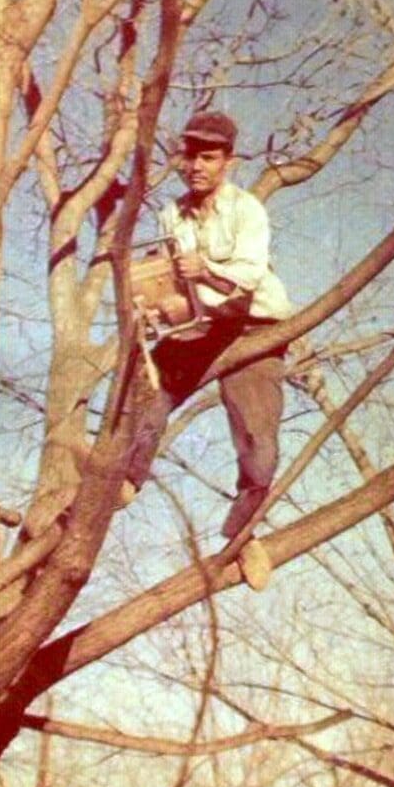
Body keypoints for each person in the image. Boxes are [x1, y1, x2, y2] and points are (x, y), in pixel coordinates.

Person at [122, 110, 292, 591]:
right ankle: (126, 479)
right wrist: (154, 303)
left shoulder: (246, 211)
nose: (196, 165)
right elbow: (177, 287)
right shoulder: (171, 214)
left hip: (253, 327)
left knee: (258, 442)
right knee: (149, 383)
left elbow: (246, 281)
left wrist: (206, 273)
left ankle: (244, 534)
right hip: (204, 325)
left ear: (228, 163)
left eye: (209, 157)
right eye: (190, 155)